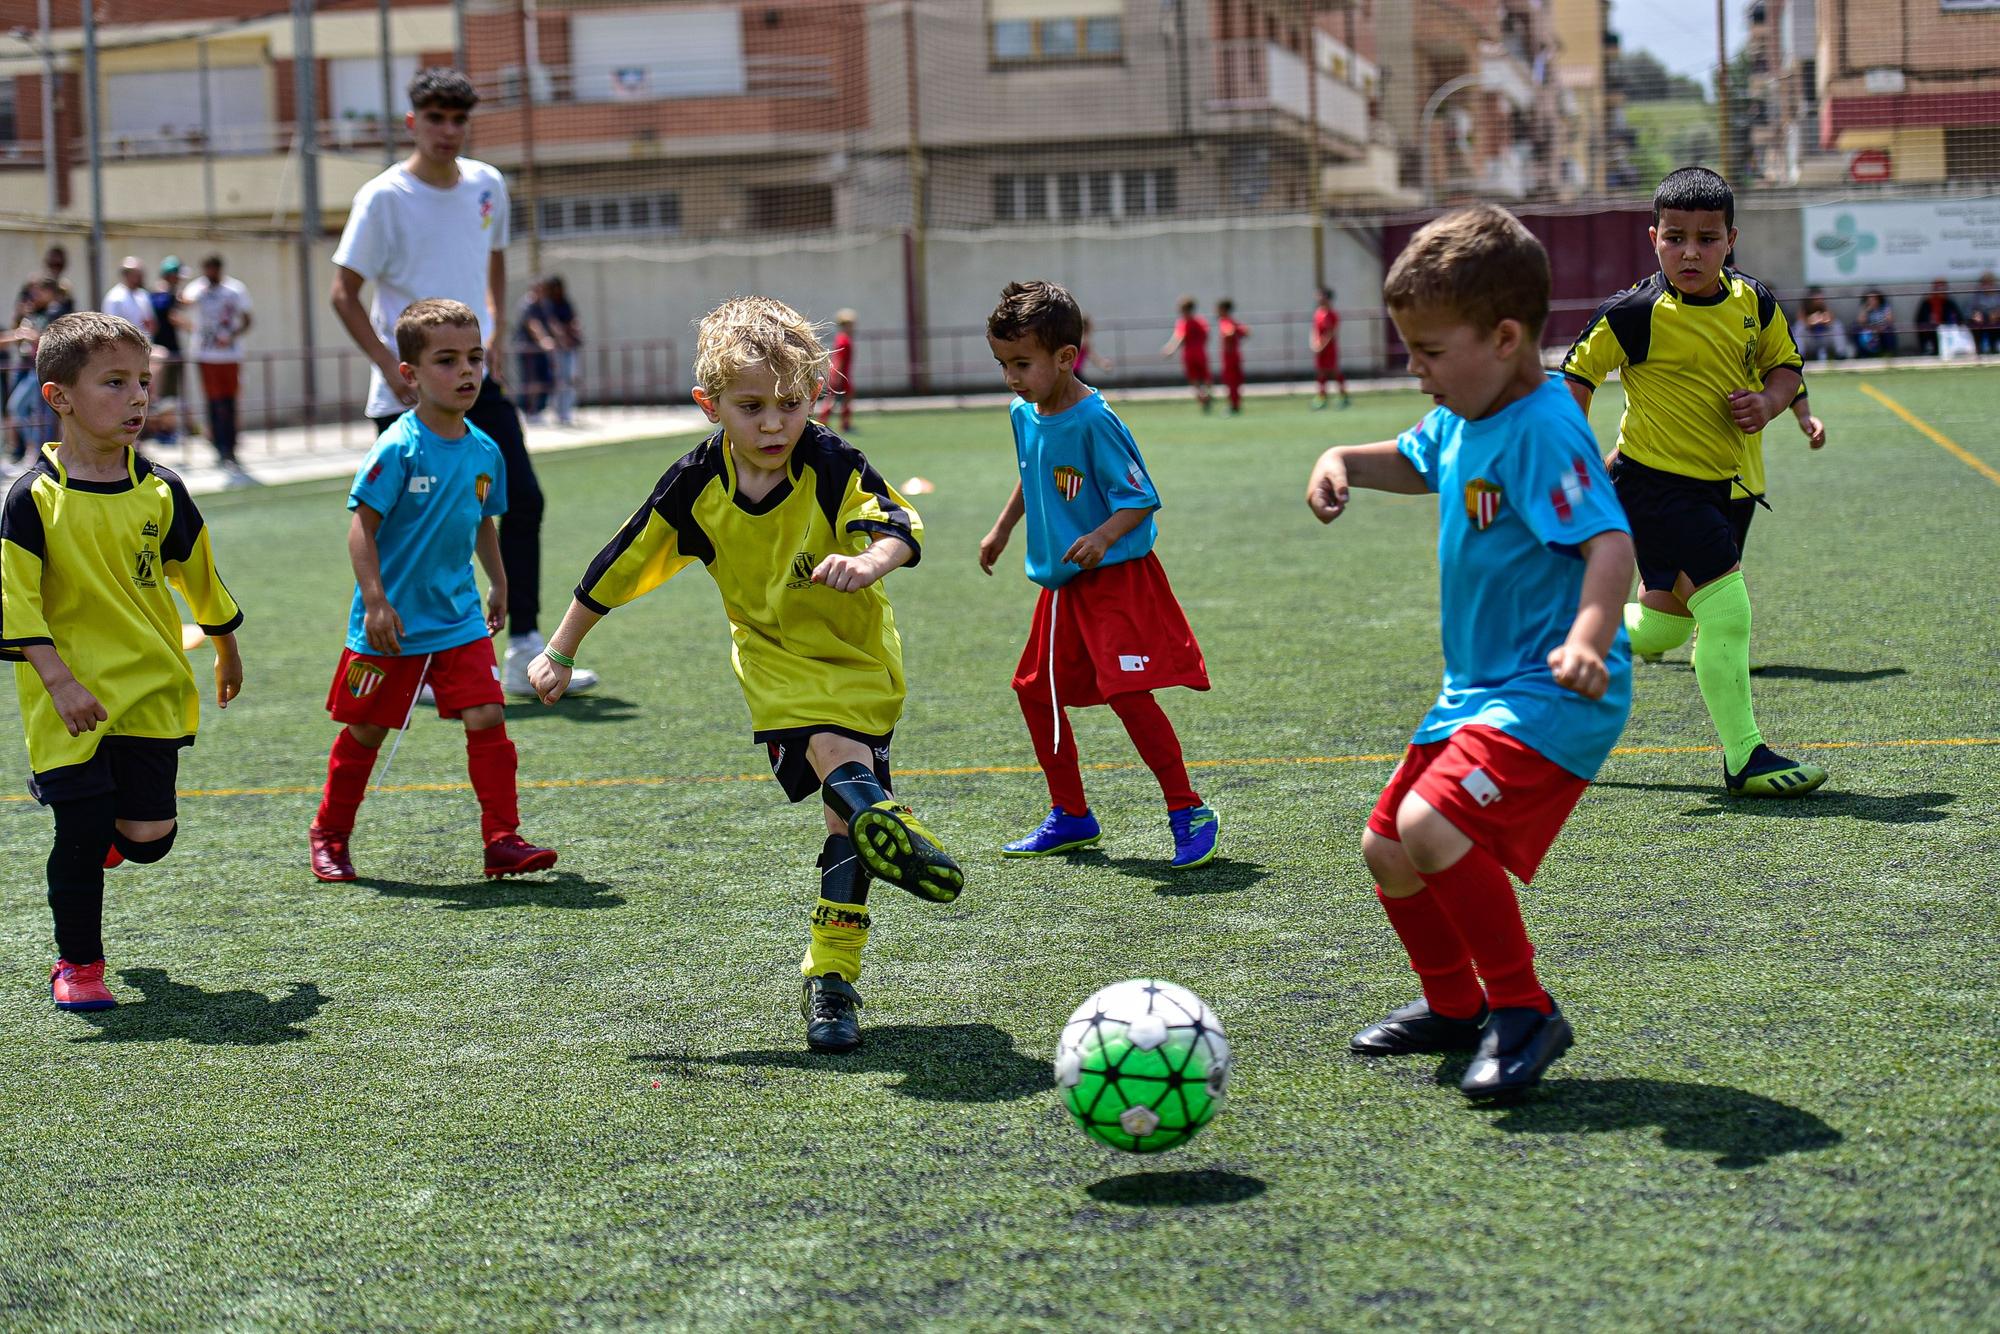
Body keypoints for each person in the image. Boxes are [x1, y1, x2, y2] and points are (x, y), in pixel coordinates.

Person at [526, 296, 961, 1055]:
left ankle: (832, 968)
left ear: (814, 400)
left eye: (790, 404)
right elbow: (623, 559)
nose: (772, 425)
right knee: (838, 767)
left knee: (843, 824)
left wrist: (867, 561)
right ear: (710, 406)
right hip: (770, 661)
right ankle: (852, 926)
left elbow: (892, 523)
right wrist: (560, 648)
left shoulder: (832, 463)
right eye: (751, 406)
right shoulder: (696, 484)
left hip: (856, 656)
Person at [1304, 205, 1634, 1099]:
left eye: (1430, 352)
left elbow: (1611, 544)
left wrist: (1586, 641)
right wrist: (1339, 457)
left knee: (1429, 826)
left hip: (1553, 689)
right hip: (1477, 690)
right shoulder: (1463, 412)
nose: (1417, 373)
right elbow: (1418, 460)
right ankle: (1454, 1007)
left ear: (1505, 336)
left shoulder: (1542, 426)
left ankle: (1524, 1009)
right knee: (1388, 847)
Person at [0, 312, 244, 1011]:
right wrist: (59, 679)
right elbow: (15, 604)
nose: (138, 397)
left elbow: (200, 575)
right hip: (66, 698)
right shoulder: (30, 501)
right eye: (115, 382)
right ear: (59, 397)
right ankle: (78, 965)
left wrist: (225, 646)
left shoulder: (162, 490)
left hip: (150, 689)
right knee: (79, 830)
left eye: (144, 381)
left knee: (148, 840)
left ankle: (117, 832)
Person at [331, 66, 598, 698]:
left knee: (522, 500)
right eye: (435, 119)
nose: (448, 131)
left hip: (477, 380)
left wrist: (494, 340)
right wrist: (389, 371)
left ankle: (525, 647)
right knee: (413, 524)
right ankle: (411, 660)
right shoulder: (383, 197)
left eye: (458, 120)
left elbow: (495, 266)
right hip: (411, 390)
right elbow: (343, 293)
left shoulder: (487, 185)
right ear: (412, 123)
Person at [1563, 166, 1824, 798]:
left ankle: (1561, 641)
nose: (1690, 252)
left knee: (1668, 625)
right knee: (1728, 609)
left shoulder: (1752, 301)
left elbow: (1785, 365)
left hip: (1720, 486)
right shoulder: (1634, 314)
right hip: (1651, 485)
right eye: (1675, 237)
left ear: (1730, 239)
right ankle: (1744, 758)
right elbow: (1574, 380)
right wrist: (1570, 466)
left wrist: (1771, 402)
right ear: (1653, 238)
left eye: (1706, 239)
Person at [308, 299, 557, 885]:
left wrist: (499, 583)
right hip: (390, 625)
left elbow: (483, 523)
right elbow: (360, 527)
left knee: (488, 714)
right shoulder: (399, 447)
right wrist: (374, 601)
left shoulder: (485, 450)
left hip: (458, 619)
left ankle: (502, 838)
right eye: (447, 360)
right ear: (410, 375)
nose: (467, 371)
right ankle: (330, 833)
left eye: (474, 358)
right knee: (366, 730)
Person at [980, 280, 1219, 870]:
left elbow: (1140, 497)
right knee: (1034, 693)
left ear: (1065, 358)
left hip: (1115, 579)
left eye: (1022, 364)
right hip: (1064, 585)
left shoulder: (1094, 420)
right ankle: (1072, 814)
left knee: (1128, 695)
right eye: (1003, 364)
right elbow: (1031, 472)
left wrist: (1102, 535)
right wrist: (1004, 527)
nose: (1012, 377)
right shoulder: (1024, 412)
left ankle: (1188, 810)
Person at [180, 254, 254, 483]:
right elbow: (180, 305)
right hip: (206, 354)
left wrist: (230, 335)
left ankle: (230, 446)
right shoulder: (197, 289)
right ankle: (218, 446)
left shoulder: (235, 289)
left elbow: (247, 319)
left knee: (229, 402)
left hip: (229, 354)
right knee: (213, 402)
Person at [3, 279, 61, 467]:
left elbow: (52, 339)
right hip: (27, 367)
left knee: (40, 414)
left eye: (39, 292)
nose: (34, 296)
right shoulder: (33, 313)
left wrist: (32, 335)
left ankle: (37, 452)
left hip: (41, 369)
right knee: (19, 409)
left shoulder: (55, 312)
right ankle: (33, 449)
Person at [146, 257, 186, 447]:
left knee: (168, 396)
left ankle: (166, 430)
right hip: (163, 353)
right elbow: (169, 316)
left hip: (167, 351)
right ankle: (164, 430)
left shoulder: (161, 294)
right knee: (164, 396)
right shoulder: (162, 295)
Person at [1161, 296, 1214, 411]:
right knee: (1205, 377)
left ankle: (1202, 398)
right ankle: (1207, 395)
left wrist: (1170, 348)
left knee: (1194, 379)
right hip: (1200, 352)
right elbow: (1207, 335)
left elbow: (1179, 337)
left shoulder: (1183, 322)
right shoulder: (1200, 321)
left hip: (1189, 354)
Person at [512, 278, 551, 420]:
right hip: (527, 348)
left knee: (543, 379)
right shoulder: (527, 304)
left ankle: (538, 409)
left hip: (539, 350)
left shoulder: (543, 304)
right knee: (530, 380)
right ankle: (530, 411)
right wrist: (543, 340)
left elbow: (549, 322)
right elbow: (532, 325)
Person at [815, 308, 856, 431]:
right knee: (832, 399)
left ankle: (841, 423)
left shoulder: (843, 338)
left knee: (842, 398)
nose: (852, 327)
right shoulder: (844, 339)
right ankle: (824, 422)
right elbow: (839, 359)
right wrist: (837, 376)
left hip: (843, 374)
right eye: (850, 325)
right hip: (841, 374)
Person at [1311, 285, 1350, 409]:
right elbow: (1314, 330)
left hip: (1329, 348)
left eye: (1320, 295)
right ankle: (1322, 398)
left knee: (1334, 372)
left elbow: (1331, 333)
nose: (1317, 298)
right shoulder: (1318, 313)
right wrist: (1314, 344)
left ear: (1327, 298)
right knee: (1321, 373)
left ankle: (1344, 397)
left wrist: (1322, 346)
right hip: (1319, 348)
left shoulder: (1332, 315)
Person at [100, 258, 156, 341]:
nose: (141, 277)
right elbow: (112, 328)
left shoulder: (143, 294)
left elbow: (151, 323)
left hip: (144, 345)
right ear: (126, 275)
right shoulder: (115, 297)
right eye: (137, 274)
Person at [1911, 279, 1966, 357]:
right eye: (1938, 289)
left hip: (1946, 330)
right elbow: (1918, 319)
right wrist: (1929, 322)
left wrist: (1950, 322)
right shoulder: (1927, 302)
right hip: (1931, 329)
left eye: (1943, 289)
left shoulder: (1949, 302)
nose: (1941, 291)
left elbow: (1960, 317)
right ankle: (1928, 349)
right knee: (1927, 329)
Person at [1796, 287, 1848, 362]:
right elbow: (1801, 321)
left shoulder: (1824, 306)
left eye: (1820, 298)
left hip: (1824, 338)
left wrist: (1821, 319)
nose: (1819, 300)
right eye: (1816, 298)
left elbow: (1830, 320)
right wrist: (1812, 321)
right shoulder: (1805, 307)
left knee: (1837, 325)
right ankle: (1800, 357)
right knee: (1799, 327)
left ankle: (1841, 354)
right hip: (1810, 339)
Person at [1216, 298, 1249, 414]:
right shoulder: (1234, 321)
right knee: (1236, 382)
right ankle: (1236, 404)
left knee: (1231, 382)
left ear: (1223, 309)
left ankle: (1233, 406)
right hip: (1236, 355)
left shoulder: (1225, 321)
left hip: (1229, 357)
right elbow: (1246, 332)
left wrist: (1229, 336)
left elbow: (1228, 332)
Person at [1852, 290, 1897, 357]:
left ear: (1878, 300)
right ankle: (1863, 354)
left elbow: (1891, 320)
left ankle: (1889, 353)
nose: (1871, 302)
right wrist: (1867, 310)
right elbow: (1860, 321)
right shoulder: (1865, 307)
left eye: (1874, 299)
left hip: (1882, 328)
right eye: (1869, 300)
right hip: (1868, 329)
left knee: (1889, 329)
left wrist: (1881, 327)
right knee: (1855, 328)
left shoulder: (1884, 306)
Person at [1967, 272, 2000, 355]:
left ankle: (1993, 347)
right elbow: (1970, 309)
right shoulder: (1977, 294)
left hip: (1995, 318)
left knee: (1995, 323)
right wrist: (1975, 314)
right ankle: (1978, 348)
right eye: (1984, 283)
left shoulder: (1998, 293)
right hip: (1982, 318)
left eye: (1989, 283)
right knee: (1974, 323)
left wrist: (1997, 313)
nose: (1987, 286)